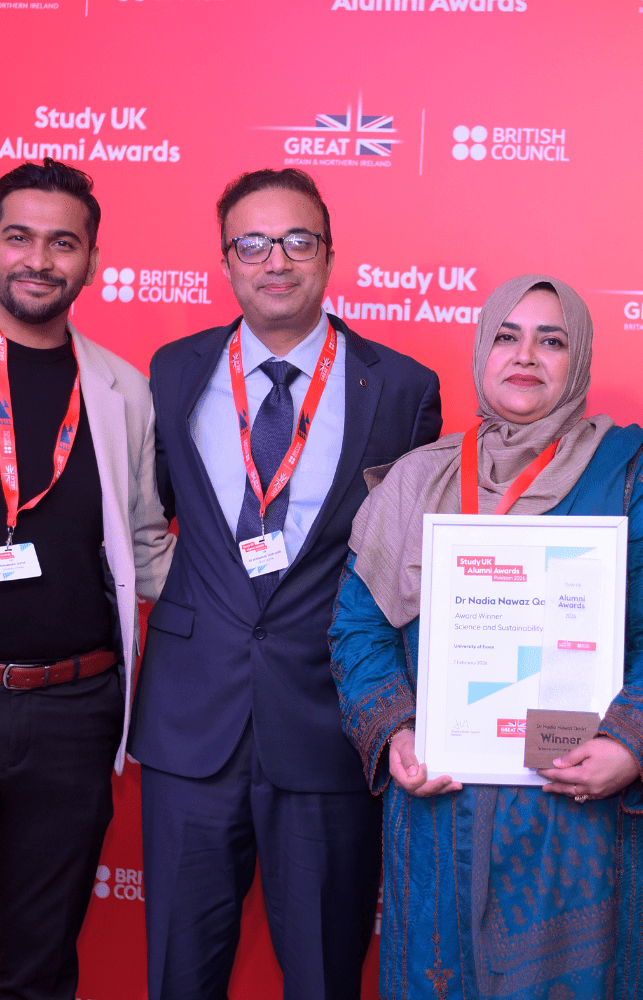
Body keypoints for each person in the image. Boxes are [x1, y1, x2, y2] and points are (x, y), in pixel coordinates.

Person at [330, 274, 643, 1000]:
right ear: (481, 350)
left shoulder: (630, 471)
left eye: (552, 339)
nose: (526, 355)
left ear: (580, 360)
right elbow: (359, 629)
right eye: (507, 336)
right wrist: (397, 733)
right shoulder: (421, 479)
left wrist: (629, 746)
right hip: (443, 808)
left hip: (578, 819)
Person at [128, 167, 443, 1000]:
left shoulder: (402, 388)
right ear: (226, 261)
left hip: (326, 723)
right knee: (178, 976)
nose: (277, 260)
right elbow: (148, 520)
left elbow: (408, 566)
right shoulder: (171, 371)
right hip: (191, 724)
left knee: (323, 975)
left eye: (298, 240)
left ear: (330, 255)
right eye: (253, 243)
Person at [0, 158, 174, 1000]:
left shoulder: (125, 389)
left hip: (74, 715)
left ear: (91, 261)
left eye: (62, 243)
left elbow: (150, 548)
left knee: (41, 967)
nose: (38, 259)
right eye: (20, 237)